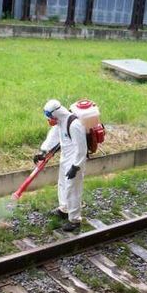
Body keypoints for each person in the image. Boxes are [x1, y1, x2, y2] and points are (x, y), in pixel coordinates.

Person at [34, 99, 87, 231]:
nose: (50, 120)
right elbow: (53, 137)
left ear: (56, 113)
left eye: (50, 117)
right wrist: (43, 151)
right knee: (62, 184)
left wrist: (76, 166)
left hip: (75, 162)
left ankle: (75, 220)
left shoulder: (74, 124)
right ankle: (64, 209)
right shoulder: (60, 122)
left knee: (72, 189)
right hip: (65, 159)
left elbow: (82, 149)